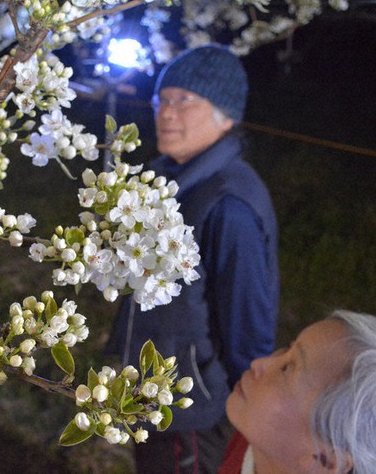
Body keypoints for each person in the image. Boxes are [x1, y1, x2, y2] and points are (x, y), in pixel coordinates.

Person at [107, 44, 279, 473]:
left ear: (226, 115)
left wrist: (244, 407)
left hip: (193, 408)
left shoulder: (227, 203)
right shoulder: (169, 182)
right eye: (162, 99)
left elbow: (249, 324)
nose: (167, 112)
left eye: (185, 101)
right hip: (154, 391)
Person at [219, 310, 376, 474]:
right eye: (286, 349)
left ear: (324, 459)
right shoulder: (258, 443)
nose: (259, 364)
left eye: (286, 369)